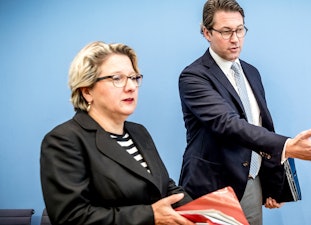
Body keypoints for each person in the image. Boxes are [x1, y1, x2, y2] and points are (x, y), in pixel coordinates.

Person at [178, 0, 311, 224]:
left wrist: (272, 184)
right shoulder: (194, 77)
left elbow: (261, 128)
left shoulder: (251, 72)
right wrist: (287, 146)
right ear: (206, 32)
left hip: (251, 182)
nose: (235, 39)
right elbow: (228, 124)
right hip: (211, 186)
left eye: (240, 30)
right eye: (226, 31)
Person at [40, 41, 195, 225]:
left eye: (133, 77)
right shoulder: (64, 140)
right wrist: (150, 216)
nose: (130, 87)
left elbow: (166, 187)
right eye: (117, 78)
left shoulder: (139, 131)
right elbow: (72, 218)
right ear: (87, 91)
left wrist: (205, 214)